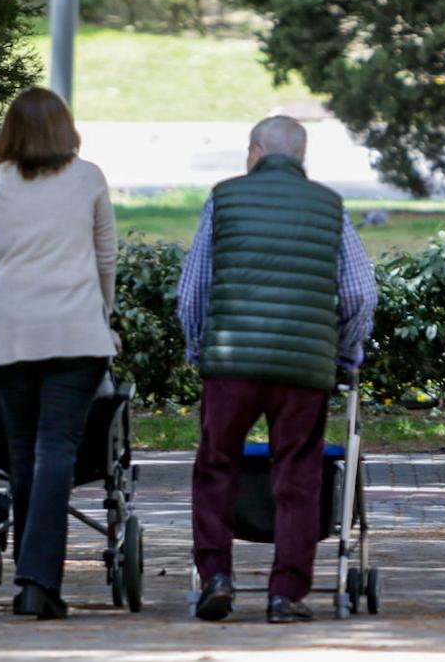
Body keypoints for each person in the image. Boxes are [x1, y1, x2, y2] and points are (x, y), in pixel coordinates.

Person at [177, 116, 378, 624]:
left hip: (231, 364)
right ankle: (285, 594)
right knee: (298, 478)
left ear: (255, 151)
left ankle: (217, 578)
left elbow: (192, 291)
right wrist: (343, 351)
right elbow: (359, 292)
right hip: (302, 371)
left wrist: (201, 350)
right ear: (300, 155)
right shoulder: (330, 207)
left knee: (216, 466)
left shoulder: (224, 198)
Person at [0, 87, 119, 620]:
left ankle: (29, 579)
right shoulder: (87, 177)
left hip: (11, 337)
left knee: (20, 452)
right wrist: (103, 317)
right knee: (56, 449)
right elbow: (105, 256)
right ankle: (39, 580)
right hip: (76, 335)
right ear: (66, 129)